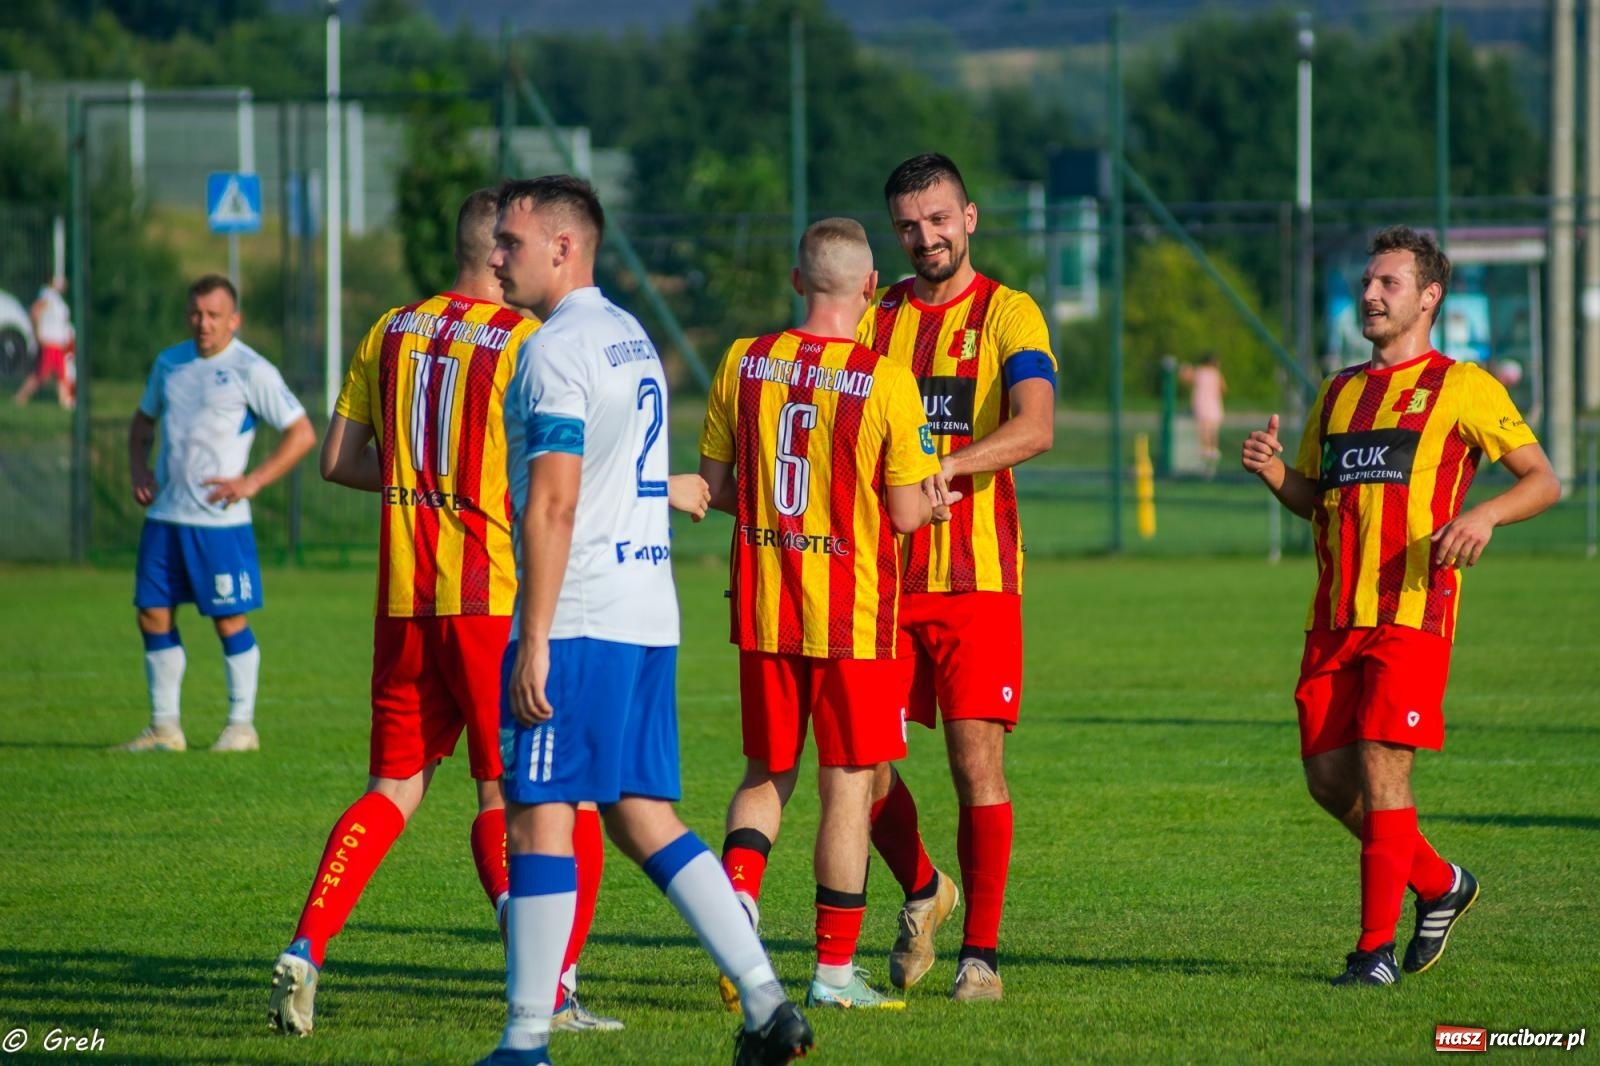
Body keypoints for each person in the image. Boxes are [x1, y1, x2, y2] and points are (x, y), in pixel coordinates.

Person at [267, 189, 646, 1037]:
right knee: (533, 795)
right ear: (498, 251)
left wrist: (421, 486)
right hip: (496, 600)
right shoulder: (528, 342)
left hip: (405, 596)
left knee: (393, 788)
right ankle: (554, 987)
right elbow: (562, 480)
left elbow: (337, 461)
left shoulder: (390, 329)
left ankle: (308, 944)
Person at [476, 175, 811, 1066]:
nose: (494, 255)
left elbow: (554, 504)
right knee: (638, 815)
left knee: (537, 813)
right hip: (646, 610)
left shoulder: (553, 351)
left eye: (510, 240)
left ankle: (524, 1040)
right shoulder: (628, 334)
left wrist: (535, 637)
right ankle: (769, 1005)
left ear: (563, 247)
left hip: (581, 614)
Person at [1241, 225, 1559, 986]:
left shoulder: (1464, 386)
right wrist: (1277, 474)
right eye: (1367, 282)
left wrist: (1483, 516)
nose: (1372, 294)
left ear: (1429, 297)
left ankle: (1372, 953)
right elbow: (1319, 500)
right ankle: (1440, 883)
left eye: (1389, 283)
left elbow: (1543, 480)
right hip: (1333, 617)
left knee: (1385, 771)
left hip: (1413, 614)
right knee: (1327, 778)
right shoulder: (1340, 390)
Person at [701, 218, 949, 1012]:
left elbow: (717, 483)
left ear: (797, 281)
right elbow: (907, 515)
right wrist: (932, 501)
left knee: (765, 773)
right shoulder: (885, 380)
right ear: (872, 290)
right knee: (847, 787)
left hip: (766, 605)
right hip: (854, 619)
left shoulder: (743, 362)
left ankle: (738, 904)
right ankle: (834, 974)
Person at [855, 152, 1057, 1003]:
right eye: (909, 224)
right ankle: (925, 885)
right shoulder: (877, 317)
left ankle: (982, 955)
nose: (925, 236)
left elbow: (1037, 425)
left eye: (939, 219)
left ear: (969, 217)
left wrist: (948, 465)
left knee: (977, 768)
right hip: (885, 579)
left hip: (977, 582)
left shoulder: (1010, 313)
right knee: (859, 765)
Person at [123, 274, 315, 753]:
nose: (202, 324)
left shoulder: (252, 369)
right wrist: (139, 470)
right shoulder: (170, 363)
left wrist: (252, 482)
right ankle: (165, 729)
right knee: (152, 614)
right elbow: (143, 422)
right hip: (167, 517)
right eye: (195, 313)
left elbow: (301, 433)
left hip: (220, 524)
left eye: (213, 315)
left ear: (235, 319)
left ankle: (240, 726)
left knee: (228, 620)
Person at [14, 275, 74, 409]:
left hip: (57, 343)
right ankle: (21, 396)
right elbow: (34, 312)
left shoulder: (54, 298)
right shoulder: (48, 296)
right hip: (50, 342)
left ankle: (64, 402)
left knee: (61, 375)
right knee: (41, 374)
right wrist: (37, 333)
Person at [1181, 351, 1226, 475]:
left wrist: (1185, 369)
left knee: (1203, 434)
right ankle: (1211, 461)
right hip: (1213, 406)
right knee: (1212, 434)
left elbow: (1186, 378)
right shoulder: (1215, 373)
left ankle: (1205, 461)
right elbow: (1223, 389)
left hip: (1202, 406)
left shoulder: (1200, 372)